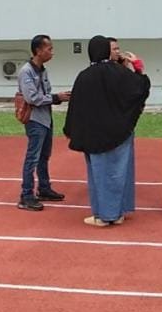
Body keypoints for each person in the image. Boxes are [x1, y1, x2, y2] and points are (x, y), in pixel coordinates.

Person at [64, 35, 151, 227]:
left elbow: (76, 106)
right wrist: (137, 68)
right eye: (114, 49)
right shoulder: (119, 73)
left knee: (100, 176)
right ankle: (118, 212)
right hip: (120, 133)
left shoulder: (84, 75)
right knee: (120, 173)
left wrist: (72, 130)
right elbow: (139, 89)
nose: (118, 52)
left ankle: (104, 215)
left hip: (94, 136)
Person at [17, 34, 71, 211]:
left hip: (45, 119)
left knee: (44, 156)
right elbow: (32, 98)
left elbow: (44, 94)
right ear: (38, 51)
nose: (52, 52)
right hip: (34, 120)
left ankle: (44, 188)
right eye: (49, 49)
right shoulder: (27, 71)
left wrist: (55, 97)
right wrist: (56, 98)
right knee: (32, 157)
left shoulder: (43, 70)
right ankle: (26, 195)